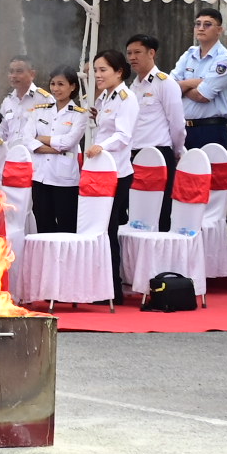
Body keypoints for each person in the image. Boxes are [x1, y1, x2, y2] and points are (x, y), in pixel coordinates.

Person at [85, 49, 139, 303]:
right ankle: (96, 284)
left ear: (119, 72)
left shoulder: (126, 98)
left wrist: (101, 147)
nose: (98, 75)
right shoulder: (105, 97)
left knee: (109, 229)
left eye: (103, 70)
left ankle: (113, 290)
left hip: (116, 172)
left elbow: (124, 135)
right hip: (99, 172)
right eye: (96, 70)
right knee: (96, 228)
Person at [125, 33, 186, 230]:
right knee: (136, 212)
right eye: (129, 53)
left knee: (160, 211)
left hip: (159, 153)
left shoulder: (165, 82)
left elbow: (177, 123)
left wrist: (176, 151)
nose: (132, 57)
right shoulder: (132, 87)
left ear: (152, 53)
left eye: (137, 52)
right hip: (134, 155)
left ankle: (161, 256)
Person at [30, 66, 90, 235]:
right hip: (40, 176)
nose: (55, 89)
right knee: (43, 224)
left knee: (67, 226)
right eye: (53, 84)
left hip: (64, 179)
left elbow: (68, 142)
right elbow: (27, 138)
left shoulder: (79, 114)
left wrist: (41, 138)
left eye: (61, 84)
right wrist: (52, 149)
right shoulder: (40, 110)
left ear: (72, 87)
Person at [172, 6, 227, 156]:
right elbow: (169, 88)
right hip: (184, 129)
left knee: (211, 177)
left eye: (207, 24)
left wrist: (181, 86)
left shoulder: (224, 59)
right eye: (197, 24)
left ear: (219, 30)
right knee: (183, 177)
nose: (201, 28)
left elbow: (203, 96)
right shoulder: (189, 54)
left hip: (210, 130)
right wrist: (194, 82)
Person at [0, 58, 51, 151]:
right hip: (11, 157)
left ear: (32, 74)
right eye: (11, 72)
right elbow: (1, 132)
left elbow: (52, 131)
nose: (13, 76)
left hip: (34, 158)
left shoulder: (44, 99)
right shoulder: (7, 101)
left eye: (19, 71)